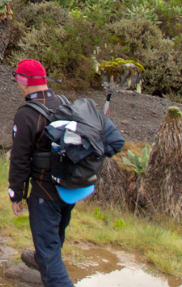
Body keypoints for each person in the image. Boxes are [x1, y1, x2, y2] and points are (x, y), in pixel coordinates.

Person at [9, 59, 124, 287]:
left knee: (48, 246)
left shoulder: (27, 114)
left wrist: (16, 194)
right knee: (56, 232)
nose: (17, 85)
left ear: (24, 81)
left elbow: (20, 159)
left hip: (45, 190)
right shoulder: (62, 101)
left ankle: (50, 268)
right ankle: (42, 260)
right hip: (71, 185)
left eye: (18, 80)